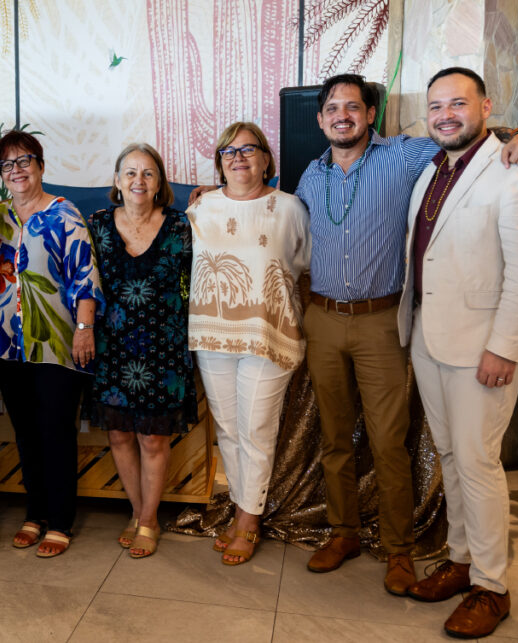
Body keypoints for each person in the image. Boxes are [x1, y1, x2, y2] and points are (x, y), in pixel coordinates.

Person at [294, 74, 518, 595]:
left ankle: (399, 550)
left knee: (388, 442)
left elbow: (466, 139)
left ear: (370, 115)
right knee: (334, 439)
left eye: (353, 107)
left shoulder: (405, 157)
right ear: (320, 119)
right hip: (323, 318)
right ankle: (343, 533)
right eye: (332, 108)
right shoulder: (310, 175)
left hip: (382, 321)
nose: (342, 116)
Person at [398, 68, 518, 638]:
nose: (445, 115)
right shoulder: (431, 171)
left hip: (484, 347)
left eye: (458, 104)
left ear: (485, 107)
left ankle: (492, 586)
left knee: (478, 462)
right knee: (450, 455)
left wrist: (505, 349)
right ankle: (462, 560)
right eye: (436, 106)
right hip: (429, 336)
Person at [188, 122, 310, 566]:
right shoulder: (201, 207)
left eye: (248, 149)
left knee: (256, 430)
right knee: (228, 430)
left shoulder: (290, 208)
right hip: (212, 335)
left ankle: (248, 521)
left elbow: (304, 266)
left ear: (265, 159)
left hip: (268, 336)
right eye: (229, 151)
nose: (238, 158)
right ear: (220, 162)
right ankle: (241, 507)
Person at [0, 130, 105, 558]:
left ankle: (59, 521)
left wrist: (85, 328)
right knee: (25, 434)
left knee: (56, 432)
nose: (17, 170)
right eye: (8, 164)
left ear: (40, 166)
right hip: (9, 346)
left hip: (57, 344)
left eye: (25, 161)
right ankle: (34, 513)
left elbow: (84, 276)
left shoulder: (64, 214)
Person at [85, 143, 197, 559]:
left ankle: (149, 521)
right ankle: (137, 512)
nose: (139, 180)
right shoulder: (97, 225)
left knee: (152, 439)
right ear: (117, 181)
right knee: (119, 435)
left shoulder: (181, 225)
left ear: (160, 182)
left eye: (148, 173)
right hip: (112, 348)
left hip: (163, 350)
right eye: (130, 173)